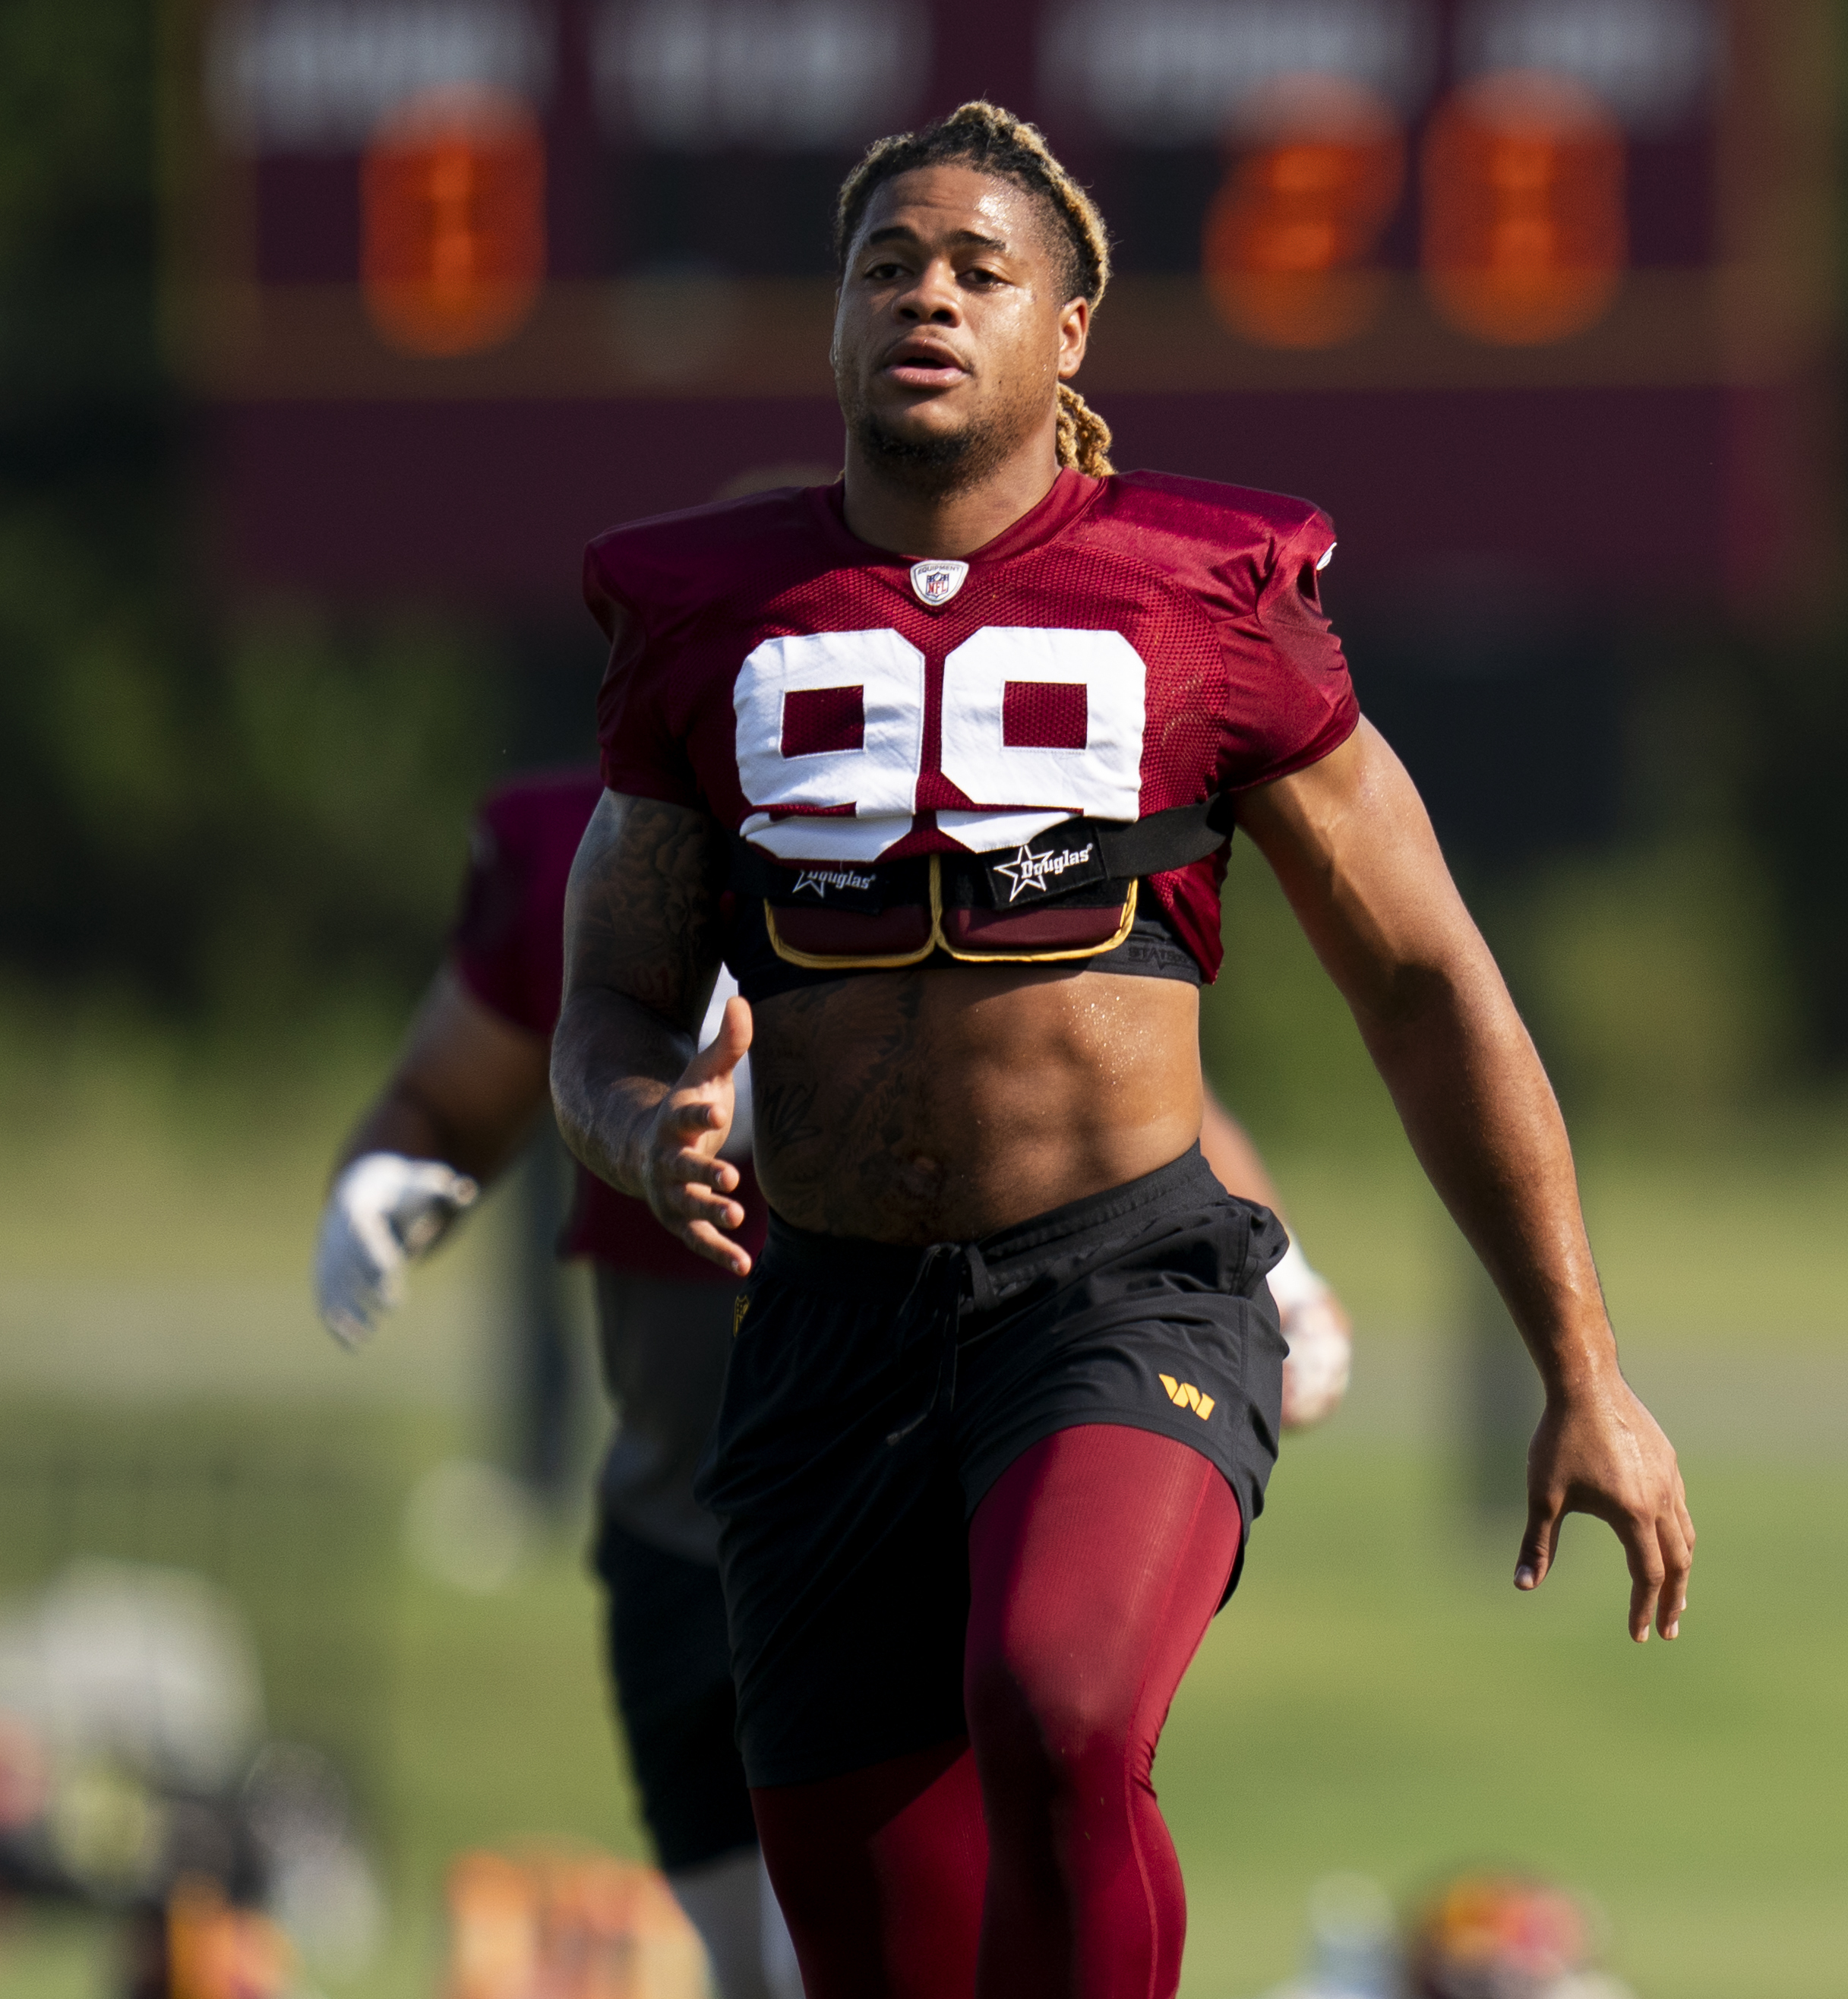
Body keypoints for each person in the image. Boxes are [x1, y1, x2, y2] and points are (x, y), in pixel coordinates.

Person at [547, 99, 1692, 1999]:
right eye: (885, 264)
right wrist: (627, 1126)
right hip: (826, 1337)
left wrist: (1584, 1364)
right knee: (876, 1938)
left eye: (981, 269)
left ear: (1068, 331)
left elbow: (1428, 982)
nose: (926, 295)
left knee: (1061, 1697)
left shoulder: (1207, 591)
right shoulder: (707, 617)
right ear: (832, 319)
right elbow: (605, 1001)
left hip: (1117, 1288)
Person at [313, 767, 1355, 1999]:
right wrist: (382, 1175)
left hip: (918, 1456)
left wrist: (1277, 1266)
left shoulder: (925, 797)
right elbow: (458, 1086)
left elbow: (1117, 1064)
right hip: (691, 1507)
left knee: (986, 1824)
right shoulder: (581, 847)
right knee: (756, 1962)